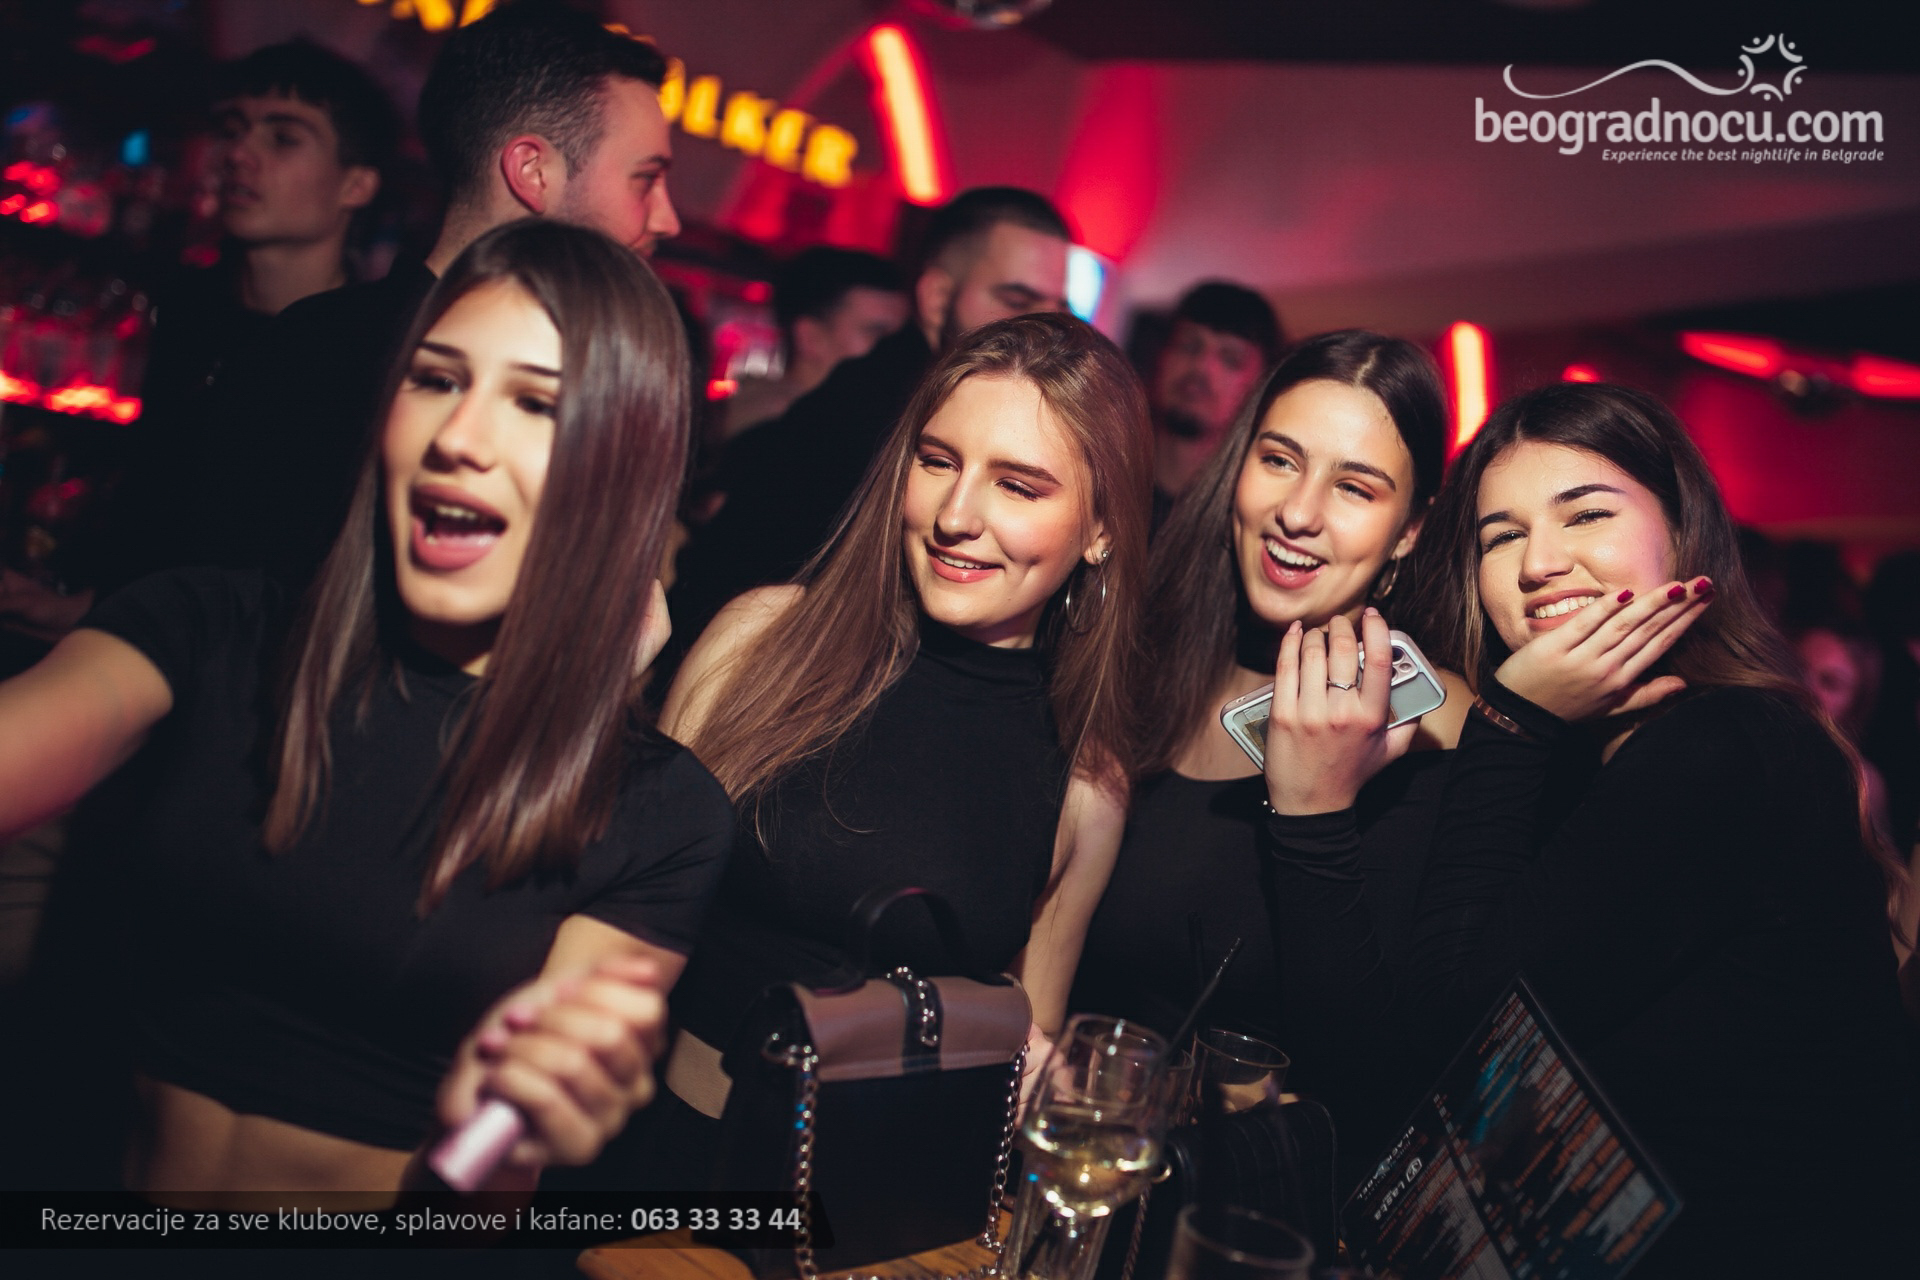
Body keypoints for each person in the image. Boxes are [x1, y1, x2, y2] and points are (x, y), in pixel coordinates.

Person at [2, 221, 733, 1204]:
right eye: (435, 379)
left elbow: (494, 1171)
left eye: (535, 402)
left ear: (623, 469)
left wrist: (506, 1130)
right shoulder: (210, 631)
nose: (458, 437)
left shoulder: (654, 809)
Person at [1261, 382, 1915, 1273]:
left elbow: (1438, 1060)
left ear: (1682, 533)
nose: (1539, 563)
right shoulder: (1574, 769)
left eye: (1586, 514)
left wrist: (1506, 723)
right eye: (1501, 537)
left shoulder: (1730, 750)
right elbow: (1382, 1090)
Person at [637, 312, 1152, 1186]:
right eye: (938, 461)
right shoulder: (759, 640)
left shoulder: (1085, 783)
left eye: (1018, 486)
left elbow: (1016, 1068)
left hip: (861, 1207)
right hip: (645, 1151)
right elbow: (609, 912)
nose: (956, 515)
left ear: (1101, 528)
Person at [1070, 330, 1461, 1178]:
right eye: (1280, 460)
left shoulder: (1432, 739)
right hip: (1075, 1165)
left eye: (1355, 487)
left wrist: (1316, 816)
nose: (1299, 512)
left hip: (1235, 1218)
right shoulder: (1136, 667)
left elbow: (1372, 1088)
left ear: (1409, 530)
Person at [198, 2, 681, 591]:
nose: (668, 219)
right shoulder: (326, 363)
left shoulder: (595, 380)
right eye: (645, 179)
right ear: (533, 172)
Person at [667, 187, 1073, 654]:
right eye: (1016, 300)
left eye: (1058, 309)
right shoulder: (881, 415)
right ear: (938, 298)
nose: (1044, 327)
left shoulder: (944, 405)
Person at [713, 246, 907, 444]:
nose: (898, 348)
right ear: (811, 337)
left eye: (903, 335)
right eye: (876, 332)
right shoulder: (778, 425)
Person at [1147, 281, 1284, 528]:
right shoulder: (1103, 475)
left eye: (1230, 359)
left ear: (1259, 386)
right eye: (1189, 345)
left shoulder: (1246, 521)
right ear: (1160, 355)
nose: (1201, 367)